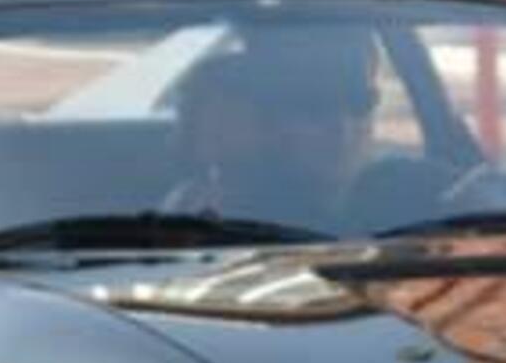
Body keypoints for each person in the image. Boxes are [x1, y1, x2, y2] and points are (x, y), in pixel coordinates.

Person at [162, 27, 379, 233]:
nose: (342, 129)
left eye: (360, 103)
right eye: (313, 109)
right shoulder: (208, 211)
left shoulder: (394, 194)